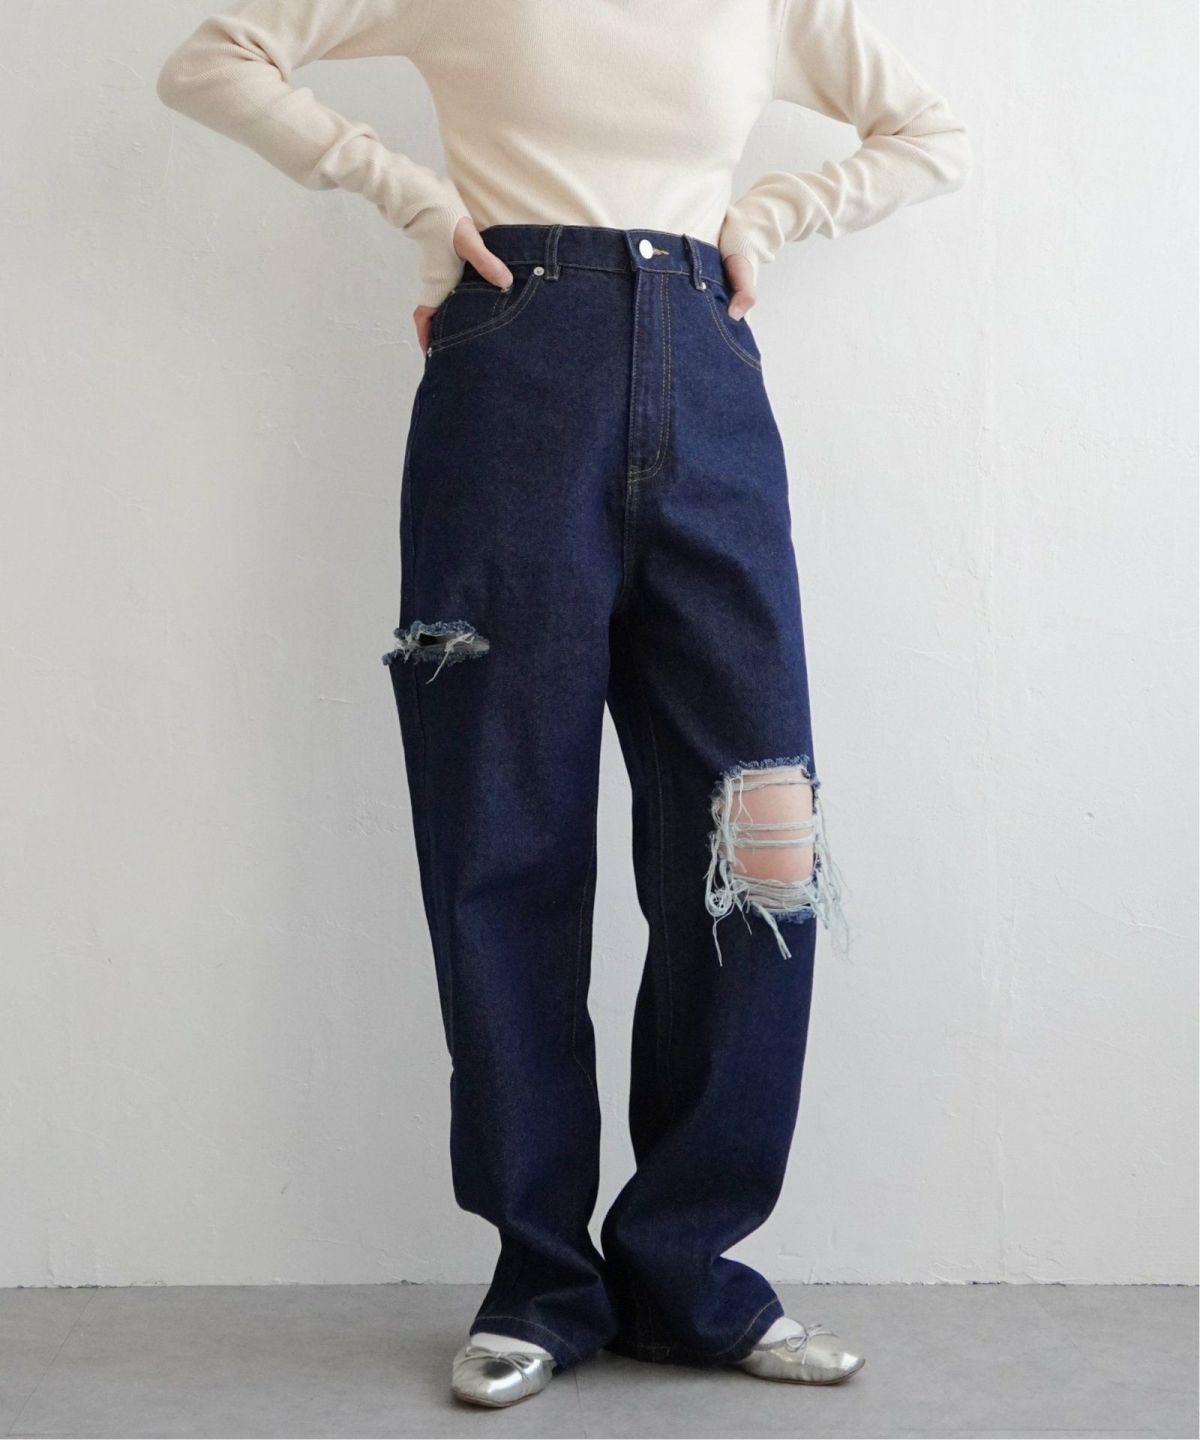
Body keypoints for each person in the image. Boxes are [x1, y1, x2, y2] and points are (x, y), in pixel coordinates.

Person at [157, 0, 970, 1408]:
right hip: (510, 378)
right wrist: (413, 199)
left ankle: (689, 1272)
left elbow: (930, 134)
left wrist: (772, 213)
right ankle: (539, 1278)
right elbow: (212, 59)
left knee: (759, 843)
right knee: (502, 839)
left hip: (710, 380)